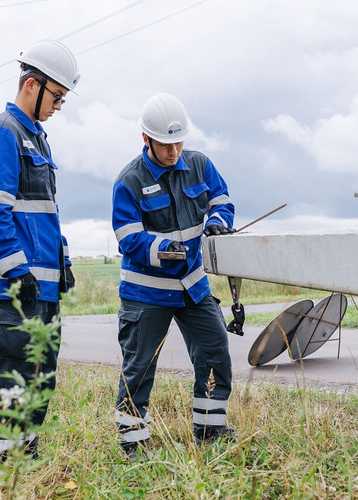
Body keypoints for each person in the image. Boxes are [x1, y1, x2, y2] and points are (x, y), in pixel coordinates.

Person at [111, 92, 237, 461]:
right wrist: (164, 250)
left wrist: (217, 223)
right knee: (140, 366)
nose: (173, 151)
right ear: (147, 139)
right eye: (166, 144)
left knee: (215, 351)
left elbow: (222, 200)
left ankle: (209, 429)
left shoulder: (199, 165)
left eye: (179, 141)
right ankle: (133, 441)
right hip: (146, 294)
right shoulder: (129, 181)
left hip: (193, 288)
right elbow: (128, 238)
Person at [0, 39, 79, 460]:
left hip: (44, 286)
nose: (58, 106)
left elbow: (45, 212)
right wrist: (18, 273)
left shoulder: (39, 140)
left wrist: (63, 260)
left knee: (40, 374)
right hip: (19, 286)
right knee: (16, 370)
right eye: (57, 96)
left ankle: (25, 449)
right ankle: (3, 458)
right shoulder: (4, 133)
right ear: (32, 85)